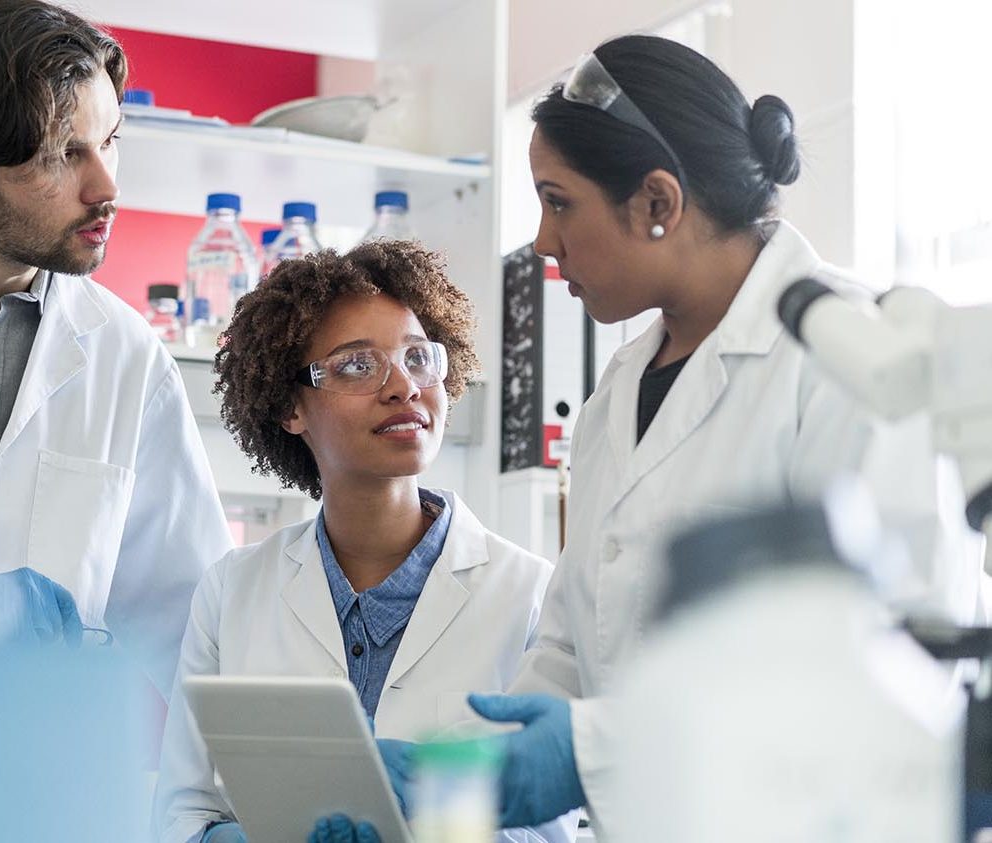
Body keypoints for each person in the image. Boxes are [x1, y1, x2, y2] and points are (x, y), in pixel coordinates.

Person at [375, 34, 985, 842]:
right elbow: (570, 639)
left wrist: (588, 753)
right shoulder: (615, 392)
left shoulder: (853, 356)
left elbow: (900, 666)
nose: (542, 243)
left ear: (657, 203)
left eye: (558, 202)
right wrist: (457, 784)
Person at [152, 241, 574, 843]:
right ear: (289, 406)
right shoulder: (232, 589)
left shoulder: (529, 594)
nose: (404, 386)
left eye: (419, 358)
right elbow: (180, 814)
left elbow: (546, 830)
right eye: (357, 365)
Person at [0, 0, 232, 691]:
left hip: (39, 775)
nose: (107, 187)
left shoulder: (128, 358)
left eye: (110, 140)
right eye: (66, 154)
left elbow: (188, 629)